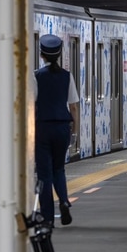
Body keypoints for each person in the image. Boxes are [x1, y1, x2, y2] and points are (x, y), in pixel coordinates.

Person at [34, 34, 80, 226]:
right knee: (59, 169)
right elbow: (74, 106)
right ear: (59, 54)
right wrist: (75, 131)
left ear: (42, 55)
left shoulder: (36, 76)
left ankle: (47, 218)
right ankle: (64, 201)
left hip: (43, 127)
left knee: (44, 174)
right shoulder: (67, 77)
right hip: (62, 128)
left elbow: (31, 105)